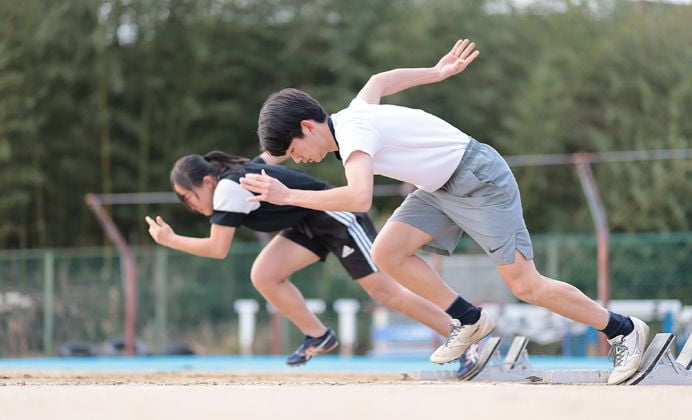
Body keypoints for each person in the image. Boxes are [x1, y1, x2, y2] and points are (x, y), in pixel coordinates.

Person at [240, 39, 649, 384]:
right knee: (387, 252)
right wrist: (434, 73)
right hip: (438, 189)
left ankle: (622, 330)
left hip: (478, 178)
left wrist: (288, 195)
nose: (301, 160)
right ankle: (468, 319)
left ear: (309, 127)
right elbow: (378, 81)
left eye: (295, 151)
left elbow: (359, 198)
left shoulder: (353, 134)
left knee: (525, 286)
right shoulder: (353, 113)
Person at [145, 150, 479, 374]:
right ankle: (317, 335)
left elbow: (218, 249)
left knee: (388, 293)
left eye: (188, 198)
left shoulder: (228, 190)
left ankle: (466, 340)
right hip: (307, 223)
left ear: (206, 182)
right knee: (265, 274)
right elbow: (272, 152)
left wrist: (170, 240)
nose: (191, 206)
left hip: (336, 218)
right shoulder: (233, 180)